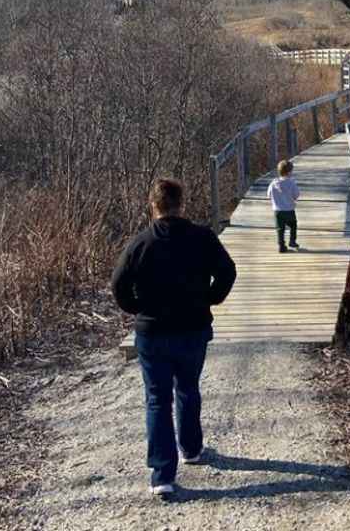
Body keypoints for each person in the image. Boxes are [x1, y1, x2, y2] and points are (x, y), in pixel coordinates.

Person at [111, 178, 236, 497]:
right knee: (189, 389)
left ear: (153, 206)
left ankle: (162, 475)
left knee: (157, 399)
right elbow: (227, 271)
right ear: (182, 204)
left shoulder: (140, 243)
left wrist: (138, 309)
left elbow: (119, 286)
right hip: (193, 329)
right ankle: (192, 450)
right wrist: (210, 298)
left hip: (153, 333)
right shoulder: (203, 238)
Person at [267, 160, 300, 253]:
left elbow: (268, 194)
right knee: (293, 225)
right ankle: (292, 241)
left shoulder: (273, 183)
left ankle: (281, 246)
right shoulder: (291, 183)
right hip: (289, 210)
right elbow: (296, 195)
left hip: (277, 211)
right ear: (289, 172)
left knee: (280, 229)